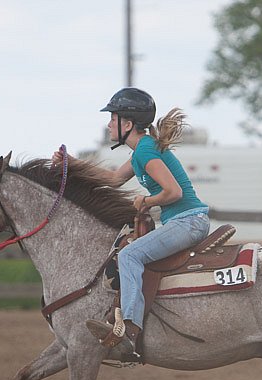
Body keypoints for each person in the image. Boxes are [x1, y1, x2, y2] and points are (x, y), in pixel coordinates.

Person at [52, 87, 209, 359]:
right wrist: (72, 165)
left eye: (112, 119)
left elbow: (174, 193)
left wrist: (145, 202)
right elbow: (112, 180)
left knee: (129, 256)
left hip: (188, 221)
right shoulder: (142, 150)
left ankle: (129, 331)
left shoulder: (145, 152)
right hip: (187, 221)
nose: (109, 124)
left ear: (127, 124)